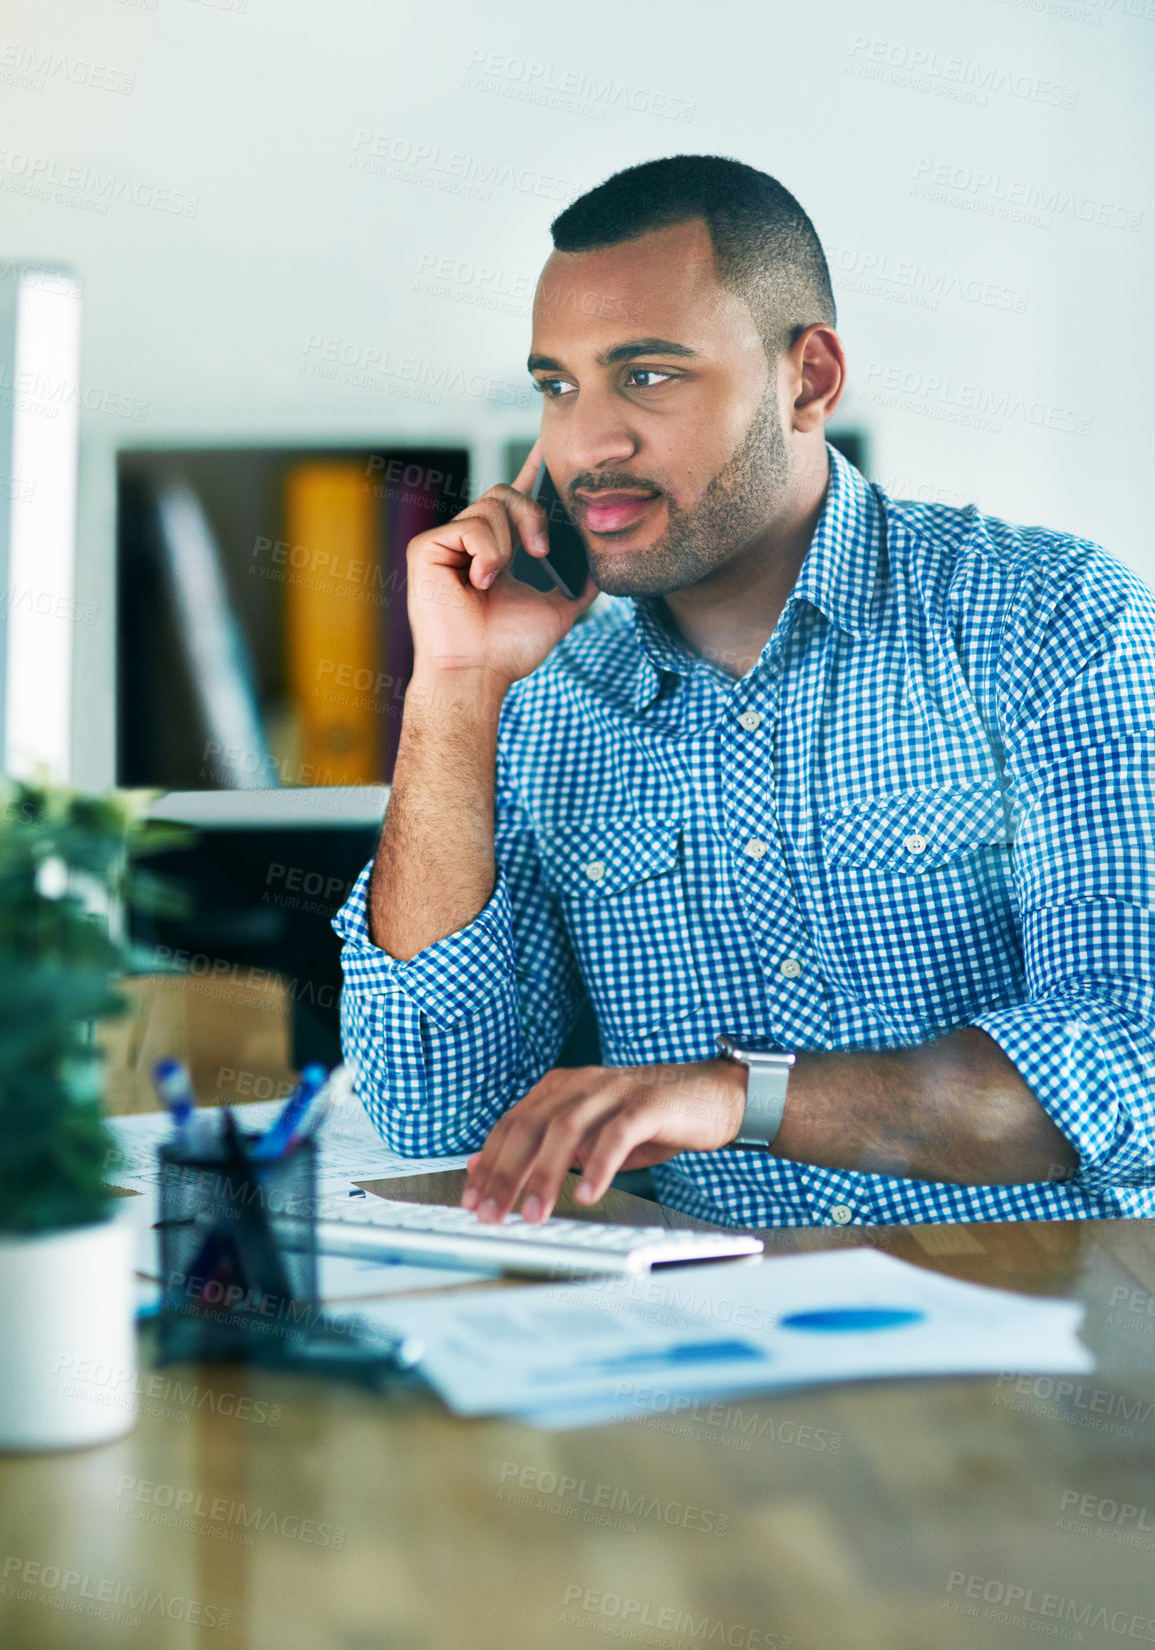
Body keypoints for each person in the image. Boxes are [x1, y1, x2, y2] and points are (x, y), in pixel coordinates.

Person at [333, 154, 1155, 1230]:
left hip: (1033, 1346)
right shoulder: (544, 696)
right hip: (691, 1343)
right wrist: (454, 687)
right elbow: (434, 1109)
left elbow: (1133, 1068)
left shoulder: (1045, 619)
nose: (587, 443)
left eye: (650, 374)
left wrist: (738, 1095)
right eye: (557, 385)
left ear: (808, 379)